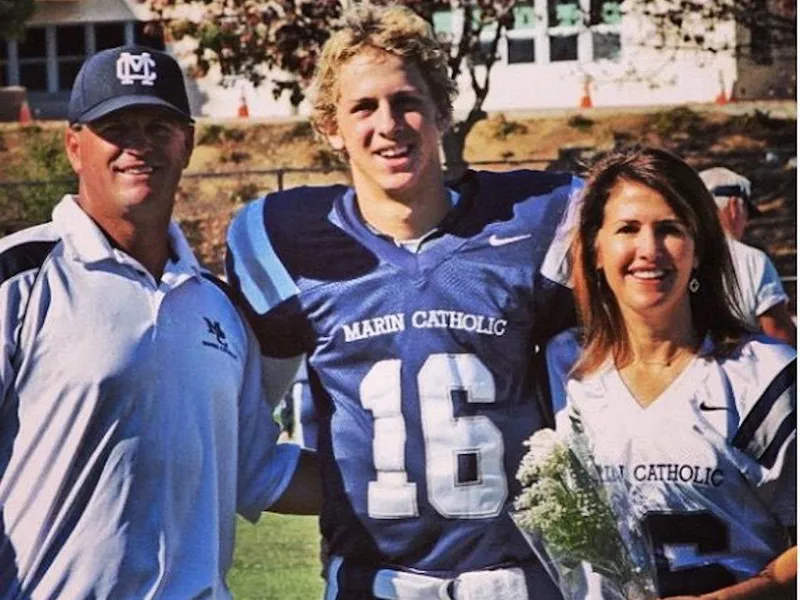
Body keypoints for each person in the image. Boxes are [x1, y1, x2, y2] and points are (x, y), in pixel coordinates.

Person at [225, 3, 580, 598]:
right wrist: (341, 486)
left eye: (406, 101)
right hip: (375, 584)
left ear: (441, 111)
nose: (388, 123)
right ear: (330, 129)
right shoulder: (287, 240)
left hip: (520, 582)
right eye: (362, 106)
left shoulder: (538, 218)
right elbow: (239, 433)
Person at [0, 45, 319, 598]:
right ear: (75, 146)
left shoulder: (219, 305)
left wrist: (402, 473)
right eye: (116, 127)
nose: (138, 145)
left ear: (188, 143)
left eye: (159, 126)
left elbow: (255, 468)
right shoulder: (18, 279)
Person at [546, 146, 796, 599]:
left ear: (699, 250)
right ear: (596, 250)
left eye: (669, 230)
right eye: (627, 229)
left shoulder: (762, 379)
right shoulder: (581, 385)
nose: (649, 250)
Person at [698, 166, 795, 346]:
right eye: (746, 212)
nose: (746, 221)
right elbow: (780, 338)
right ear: (735, 207)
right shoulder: (752, 260)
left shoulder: (672, 257)